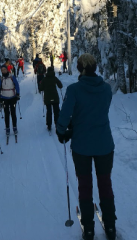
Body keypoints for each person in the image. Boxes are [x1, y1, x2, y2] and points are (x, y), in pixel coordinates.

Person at [56, 54, 116, 240]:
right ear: (95, 67)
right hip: (105, 145)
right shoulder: (106, 88)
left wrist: (62, 131)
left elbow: (65, 115)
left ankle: (89, 228)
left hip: (82, 146)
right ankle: (111, 226)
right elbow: (99, 111)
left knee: (85, 186)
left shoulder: (74, 89)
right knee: (105, 184)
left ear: (80, 68)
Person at [0, 64, 20, 135]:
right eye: (2, 70)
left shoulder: (12, 77)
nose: (3, 71)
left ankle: (14, 127)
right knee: (6, 114)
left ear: (7, 69)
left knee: (13, 113)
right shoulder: (1, 79)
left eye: (4, 69)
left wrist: (18, 94)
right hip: (4, 98)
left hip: (12, 97)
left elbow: (17, 85)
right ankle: (7, 128)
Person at [39, 66, 63, 132]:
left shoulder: (44, 79)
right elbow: (60, 86)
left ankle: (49, 125)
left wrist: (41, 85)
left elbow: (41, 88)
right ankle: (57, 124)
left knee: (49, 111)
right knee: (56, 112)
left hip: (47, 98)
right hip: (55, 97)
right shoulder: (54, 78)